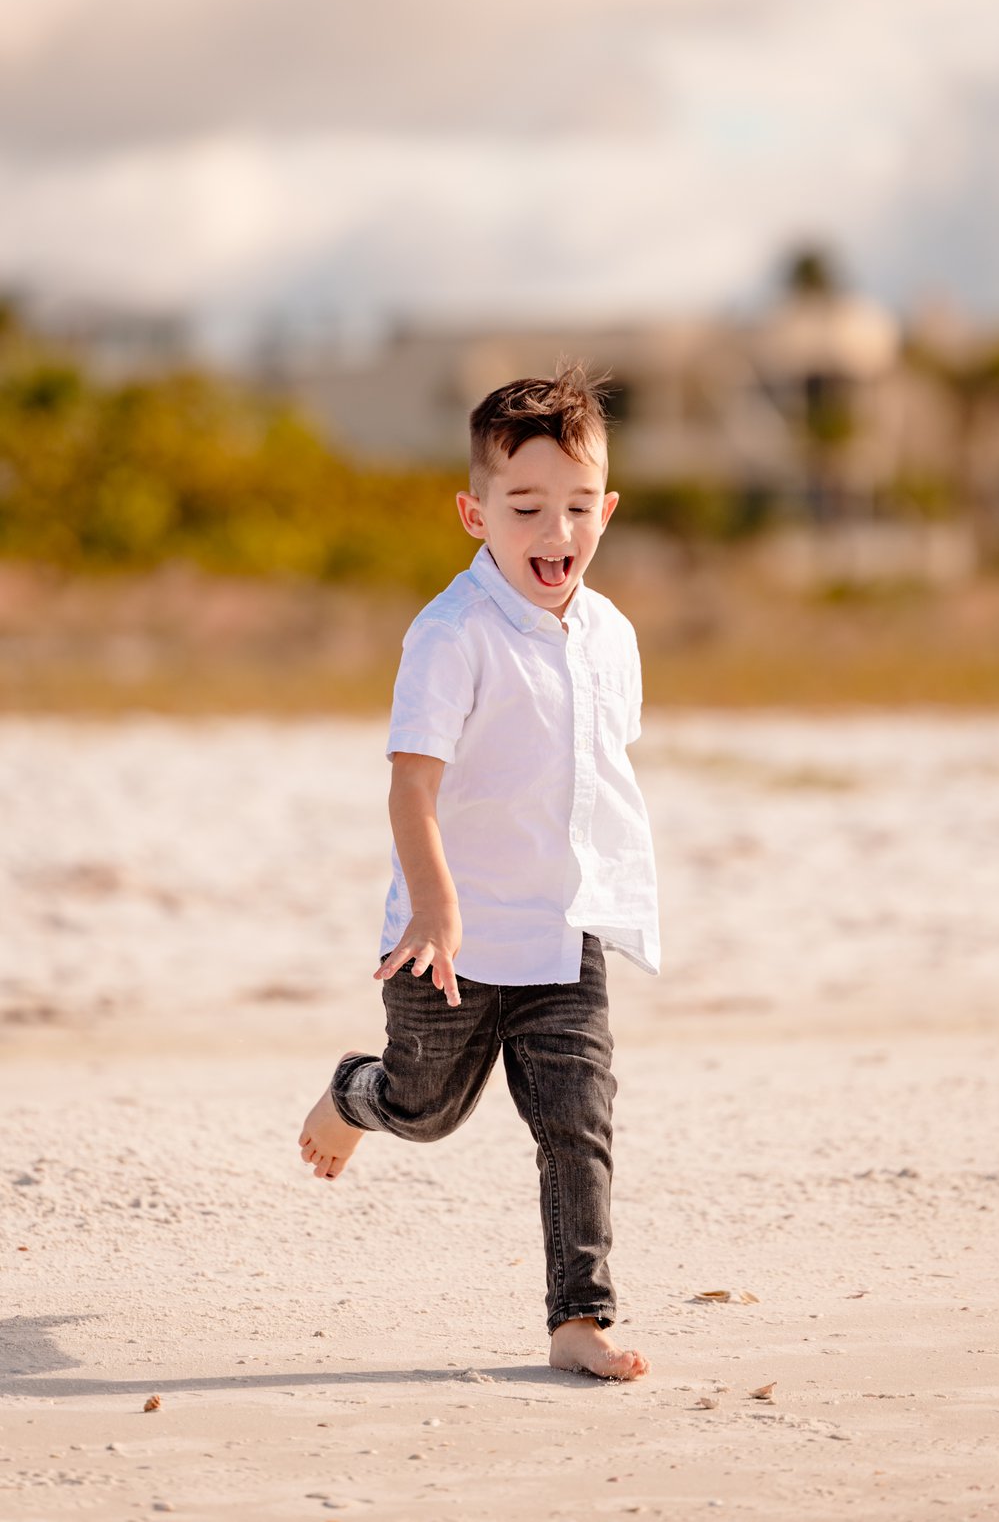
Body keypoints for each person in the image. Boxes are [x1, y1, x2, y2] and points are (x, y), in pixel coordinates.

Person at [298, 363, 659, 1380]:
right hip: (443, 939)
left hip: (561, 932)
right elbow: (410, 789)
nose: (557, 530)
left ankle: (577, 1316)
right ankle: (350, 1094)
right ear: (475, 511)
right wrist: (438, 906)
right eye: (526, 506)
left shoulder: (612, 636)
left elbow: (592, 777)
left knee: (577, 1117)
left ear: (608, 508)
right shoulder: (450, 634)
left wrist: (616, 896)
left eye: (579, 506)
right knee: (426, 1107)